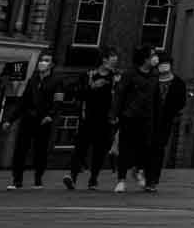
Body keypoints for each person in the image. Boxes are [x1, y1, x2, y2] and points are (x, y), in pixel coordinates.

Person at [63, 48, 119, 190]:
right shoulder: (88, 75)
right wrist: (92, 86)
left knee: (99, 151)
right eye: (112, 62)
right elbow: (77, 93)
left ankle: (93, 179)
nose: (113, 66)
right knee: (80, 148)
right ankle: (72, 176)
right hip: (87, 118)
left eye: (115, 63)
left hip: (105, 120)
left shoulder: (115, 78)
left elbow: (119, 98)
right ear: (104, 60)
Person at [7, 52, 61, 189]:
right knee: (20, 149)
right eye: (42, 60)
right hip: (28, 118)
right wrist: (10, 119)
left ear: (52, 64)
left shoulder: (56, 81)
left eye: (47, 60)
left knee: (40, 150)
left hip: (43, 121)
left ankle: (38, 178)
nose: (42, 63)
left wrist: (50, 115)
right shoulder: (33, 80)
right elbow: (23, 101)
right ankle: (17, 179)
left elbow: (58, 101)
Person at [113, 46, 160, 193]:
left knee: (145, 146)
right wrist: (114, 113)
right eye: (152, 55)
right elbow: (120, 94)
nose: (155, 58)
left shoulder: (154, 75)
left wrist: (158, 114)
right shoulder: (130, 74)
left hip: (147, 116)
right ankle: (121, 180)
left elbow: (156, 97)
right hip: (129, 115)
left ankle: (139, 169)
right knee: (125, 147)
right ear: (144, 58)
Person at [145, 57, 188, 190]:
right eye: (161, 64)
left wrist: (171, 112)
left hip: (165, 121)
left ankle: (153, 179)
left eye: (166, 64)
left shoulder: (178, 83)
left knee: (158, 148)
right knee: (147, 147)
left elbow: (182, 102)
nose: (163, 67)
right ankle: (143, 171)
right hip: (149, 119)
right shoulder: (151, 81)